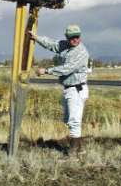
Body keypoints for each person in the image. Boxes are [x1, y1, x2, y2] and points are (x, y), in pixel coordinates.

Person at [28, 24, 89, 154]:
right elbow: (52, 44)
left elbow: (67, 69)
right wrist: (36, 38)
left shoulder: (81, 52)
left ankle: (73, 153)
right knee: (68, 120)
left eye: (77, 37)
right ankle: (78, 148)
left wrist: (46, 70)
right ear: (67, 37)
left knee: (74, 121)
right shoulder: (65, 46)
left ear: (80, 36)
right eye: (71, 37)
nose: (75, 39)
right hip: (68, 89)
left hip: (76, 90)